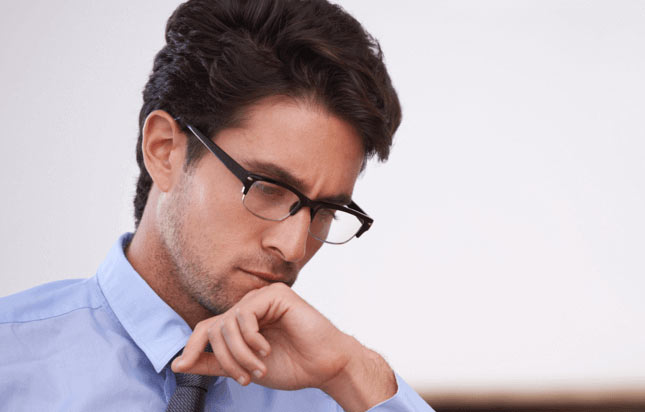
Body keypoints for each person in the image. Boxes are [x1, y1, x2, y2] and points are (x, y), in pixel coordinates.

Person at [0, 0, 433, 411]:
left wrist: (353, 371)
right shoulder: (11, 363)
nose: (294, 247)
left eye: (323, 210)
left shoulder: (340, 394)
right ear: (164, 150)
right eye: (267, 187)